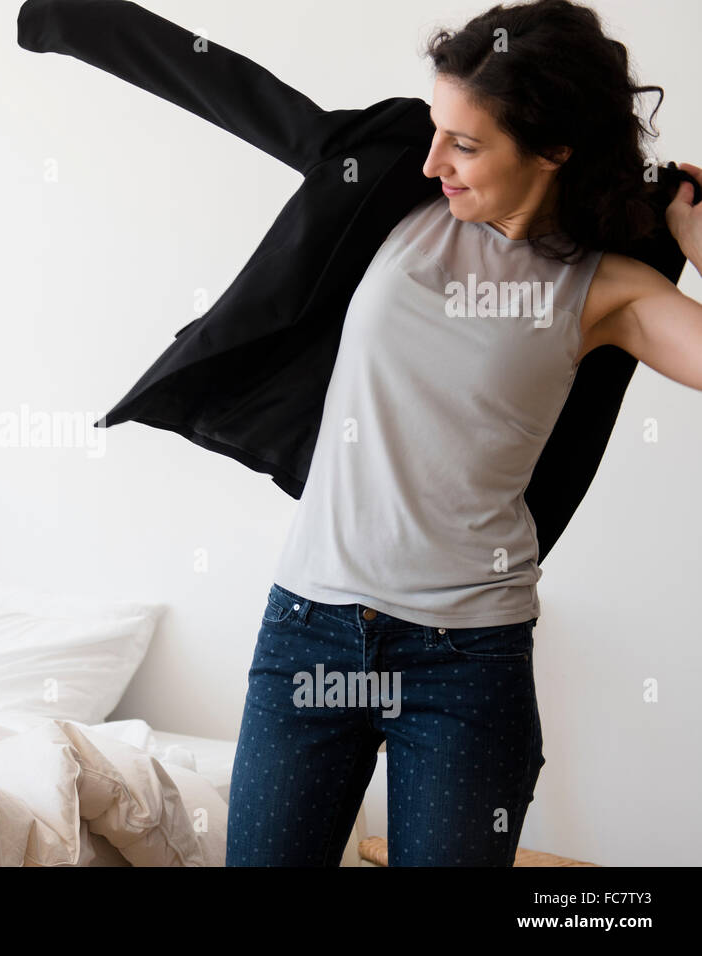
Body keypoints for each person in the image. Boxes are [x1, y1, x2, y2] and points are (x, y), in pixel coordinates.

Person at [219, 0, 702, 866]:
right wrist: (70, 22)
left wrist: (698, 240)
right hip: (308, 632)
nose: (433, 158)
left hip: (464, 661)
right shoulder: (396, 205)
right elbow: (237, 93)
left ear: (554, 149)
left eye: (465, 144)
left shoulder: (607, 289)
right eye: (437, 130)